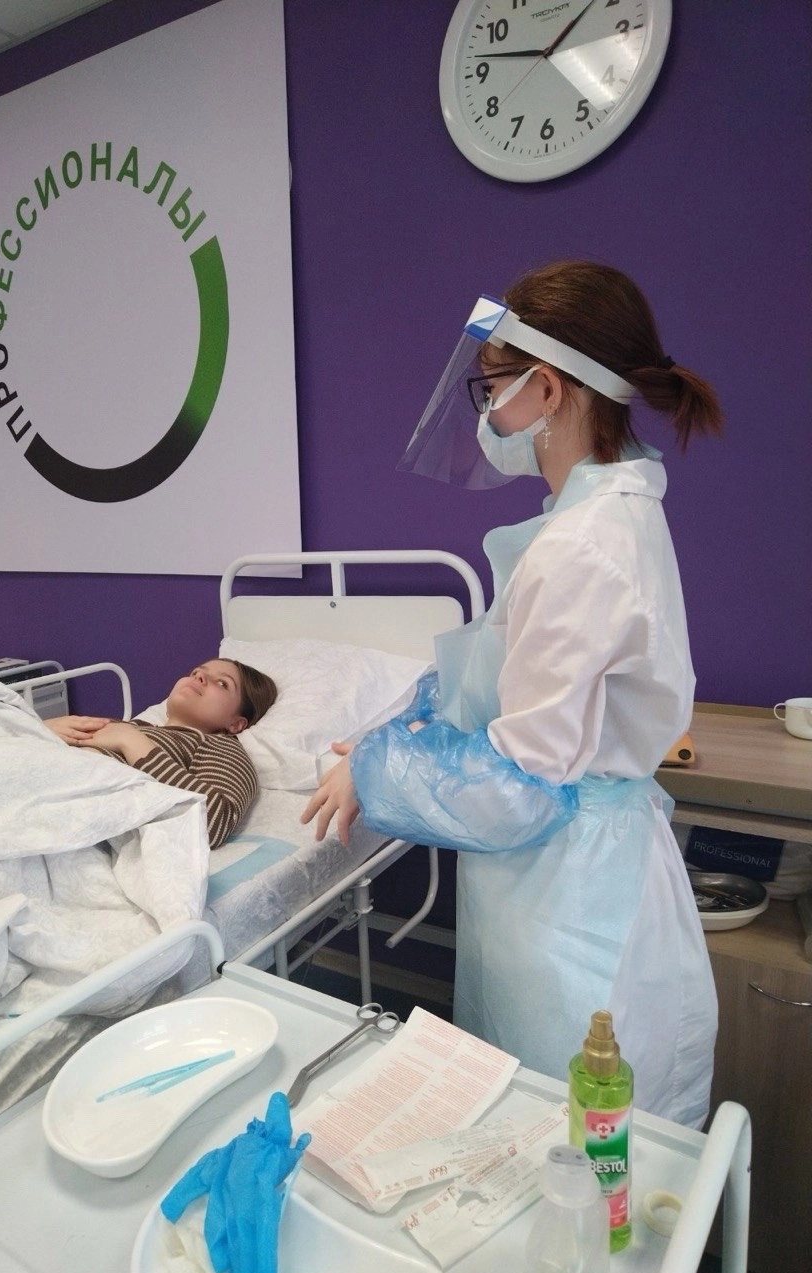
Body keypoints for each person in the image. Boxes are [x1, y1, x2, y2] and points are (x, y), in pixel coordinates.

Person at [302, 261, 721, 1129]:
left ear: (549, 389)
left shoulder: (583, 548)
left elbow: (518, 787)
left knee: (567, 1150)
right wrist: (412, 721)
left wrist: (377, 768)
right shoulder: (601, 516)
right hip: (562, 884)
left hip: (573, 909)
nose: (487, 411)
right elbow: (511, 680)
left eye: (492, 388)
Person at [48, 658, 277, 848]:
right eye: (196, 672)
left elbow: (215, 822)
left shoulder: (220, 746)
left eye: (222, 683)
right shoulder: (133, 726)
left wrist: (132, 743)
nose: (199, 677)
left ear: (236, 724)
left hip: (69, 810)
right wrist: (44, 728)